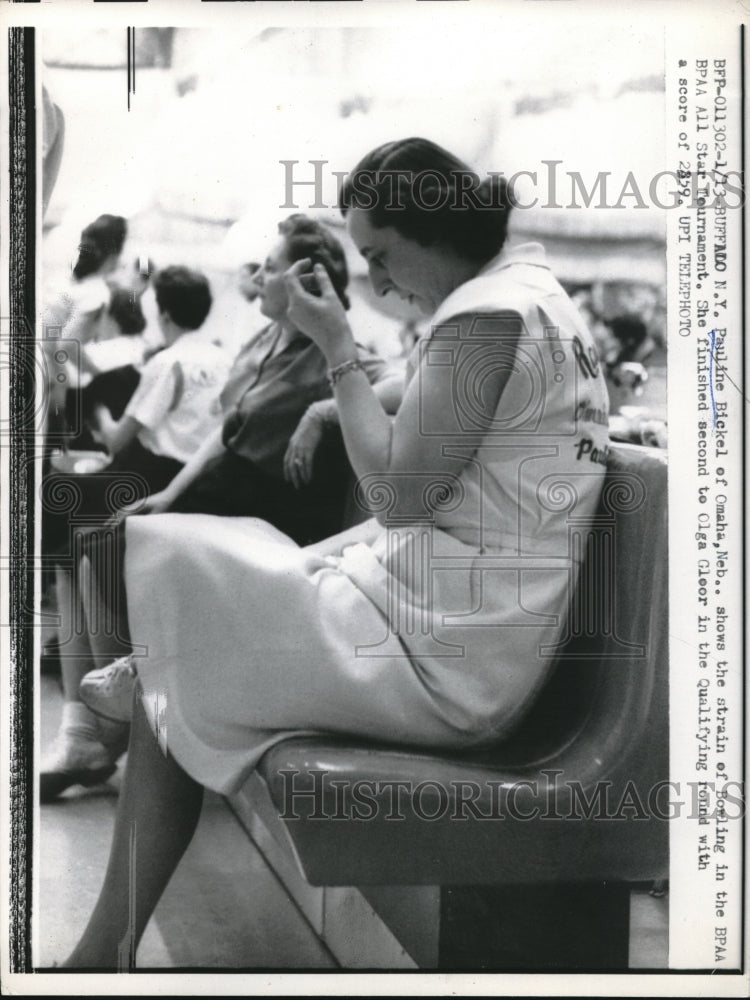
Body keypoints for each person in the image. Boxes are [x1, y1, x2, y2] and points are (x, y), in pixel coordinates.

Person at [62, 137, 609, 969]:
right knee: (196, 569)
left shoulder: (486, 315)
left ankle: (102, 950)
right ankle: (108, 932)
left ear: (430, 226)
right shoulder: (529, 298)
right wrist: (337, 394)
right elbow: (424, 414)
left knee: (179, 570)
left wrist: (336, 348)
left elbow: (395, 496)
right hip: (462, 622)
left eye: (383, 256)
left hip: (447, 659)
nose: (381, 283)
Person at [40, 266, 231, 803]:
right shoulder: (221, 356)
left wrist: (96, 411)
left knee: (64, 531)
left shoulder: (166, 361)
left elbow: (120, 440)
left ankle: (87, 722)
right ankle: (93, 720)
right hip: (204, 482)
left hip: (157, 479)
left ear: (160, 311)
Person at [116, 214, 402, 545]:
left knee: (110, 553)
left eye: (269, 268)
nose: (256, 277)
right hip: (219, 492)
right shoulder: (263, 339)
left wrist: (322, 411)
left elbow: (404, 383)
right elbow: (227, 431)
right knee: (102, 546)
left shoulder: (333, 353)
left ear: (303, 281)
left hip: (263, 519)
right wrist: (170, 493)